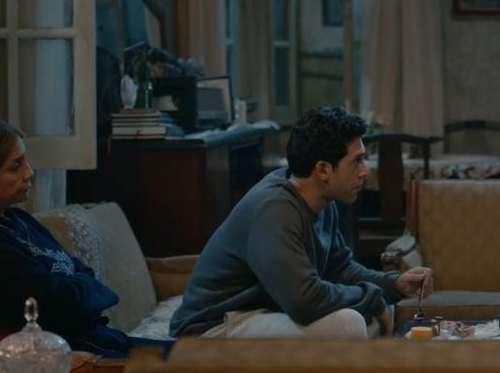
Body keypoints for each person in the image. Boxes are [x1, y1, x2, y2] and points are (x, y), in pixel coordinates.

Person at [170, 106, 433, 339]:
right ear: (323, 169)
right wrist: (371, 297)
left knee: (375, 311)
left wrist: (392, 284)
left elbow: (339, 268)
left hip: (263, 311)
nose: (365, 171)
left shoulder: (322, 200)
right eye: (357, 161)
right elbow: (305, 301)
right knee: (349, 324)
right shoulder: (274, 209)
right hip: (213, 326)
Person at [0, 114, 171, 357]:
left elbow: (81, 271)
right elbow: (59, 306)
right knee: (191, 366)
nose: (29, 173)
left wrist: (81, 290)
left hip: (102, 338)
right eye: (15, 167)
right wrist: (86, 291)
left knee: (193, 354)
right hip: (78, 354)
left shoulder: (19, 219)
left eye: (25, 162)